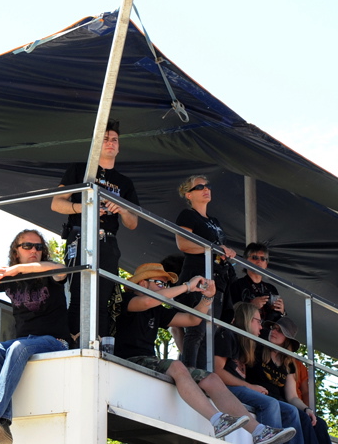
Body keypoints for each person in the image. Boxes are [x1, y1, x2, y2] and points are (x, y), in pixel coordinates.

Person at [115, 263, 296, 444]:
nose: (165, 288)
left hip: (148, 360)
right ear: (142, 284)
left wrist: (207, 299)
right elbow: (147, 301)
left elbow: (193, 319)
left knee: (211, 378)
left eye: (166, 285)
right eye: (160, 283)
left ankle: (259, 431)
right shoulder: (128, 299)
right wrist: (187, 286)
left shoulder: (156, 309)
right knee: (177, 365)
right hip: (128, 359)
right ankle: (217, 420)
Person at [0, 229, 71, 444]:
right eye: (27, 246)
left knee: (18, 347)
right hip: (24, 341)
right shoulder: (10, 278)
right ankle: (2, 422)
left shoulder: (48, 272)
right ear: (16, 250)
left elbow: (61, 269)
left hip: (55, 341)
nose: (34, 251)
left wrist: (16, 269)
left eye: (38, 247)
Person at [51, 120, 139, 340]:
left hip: (108, 241)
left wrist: (121, 209)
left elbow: (133, 222)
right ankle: (73, 341)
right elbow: (56, 203)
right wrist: (83, 207)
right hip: (80, 235)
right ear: (96, 143)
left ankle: (98, 343)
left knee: (103, 296)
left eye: (114, 140)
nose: (110, 143)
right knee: (79, 293)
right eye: (105, 139)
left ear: (119, 147)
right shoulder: (79, 169)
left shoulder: (125, 182)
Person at [214, 303, 304, 444]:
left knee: (292, 411)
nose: (262, 328)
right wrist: (250, 386)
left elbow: (292, 396)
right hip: (225, 388)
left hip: (241, 388)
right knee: (271, 403)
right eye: (259, 322)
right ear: (248, 319)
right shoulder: (227, 334)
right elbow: (217, 372)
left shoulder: (245, 343)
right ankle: (266, 438)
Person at [175, 175, 236, 369]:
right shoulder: (187, 215)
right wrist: (215, 249)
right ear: (188, 194)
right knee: (196, 328)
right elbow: (183, 244)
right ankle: (191, 371)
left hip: (217, 279)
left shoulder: (214, 220)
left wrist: (225, 252)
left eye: (207, 186)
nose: (206, 189)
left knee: (210, 331)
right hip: (198, 276)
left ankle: (204, 373)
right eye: (199, 187)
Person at [247, 317, 331, 444]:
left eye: (279, 331)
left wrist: (306, 409)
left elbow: (292, 396)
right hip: (261, 395)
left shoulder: (288, 363)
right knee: (295, 414)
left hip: (279, 401)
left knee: (318, 423)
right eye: (273, 328)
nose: (273, 332)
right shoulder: (258, 350)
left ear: (287, 340)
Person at [227, 243, 286, 336]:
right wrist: (251, 306)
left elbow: (279, 322)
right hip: (244, 336)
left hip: (266, 338)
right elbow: (230, 314)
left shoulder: (271, 289)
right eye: (255, 257)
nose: (259, 261)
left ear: (266, 264)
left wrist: (282, 312)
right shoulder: (237, 285)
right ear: (245, 260)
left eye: (263, 259)